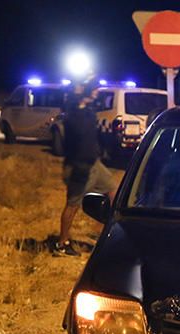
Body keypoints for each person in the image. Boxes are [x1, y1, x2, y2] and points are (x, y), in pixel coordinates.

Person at [55, 83, 117, 257]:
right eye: (95, 89)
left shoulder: (88, 110)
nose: (97, 92)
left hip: (94, 163)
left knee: (114, 191)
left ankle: (109, 232)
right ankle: (62, 243)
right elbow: (75, 140)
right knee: (73, 205)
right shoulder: (74, 113)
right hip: (78, 166)